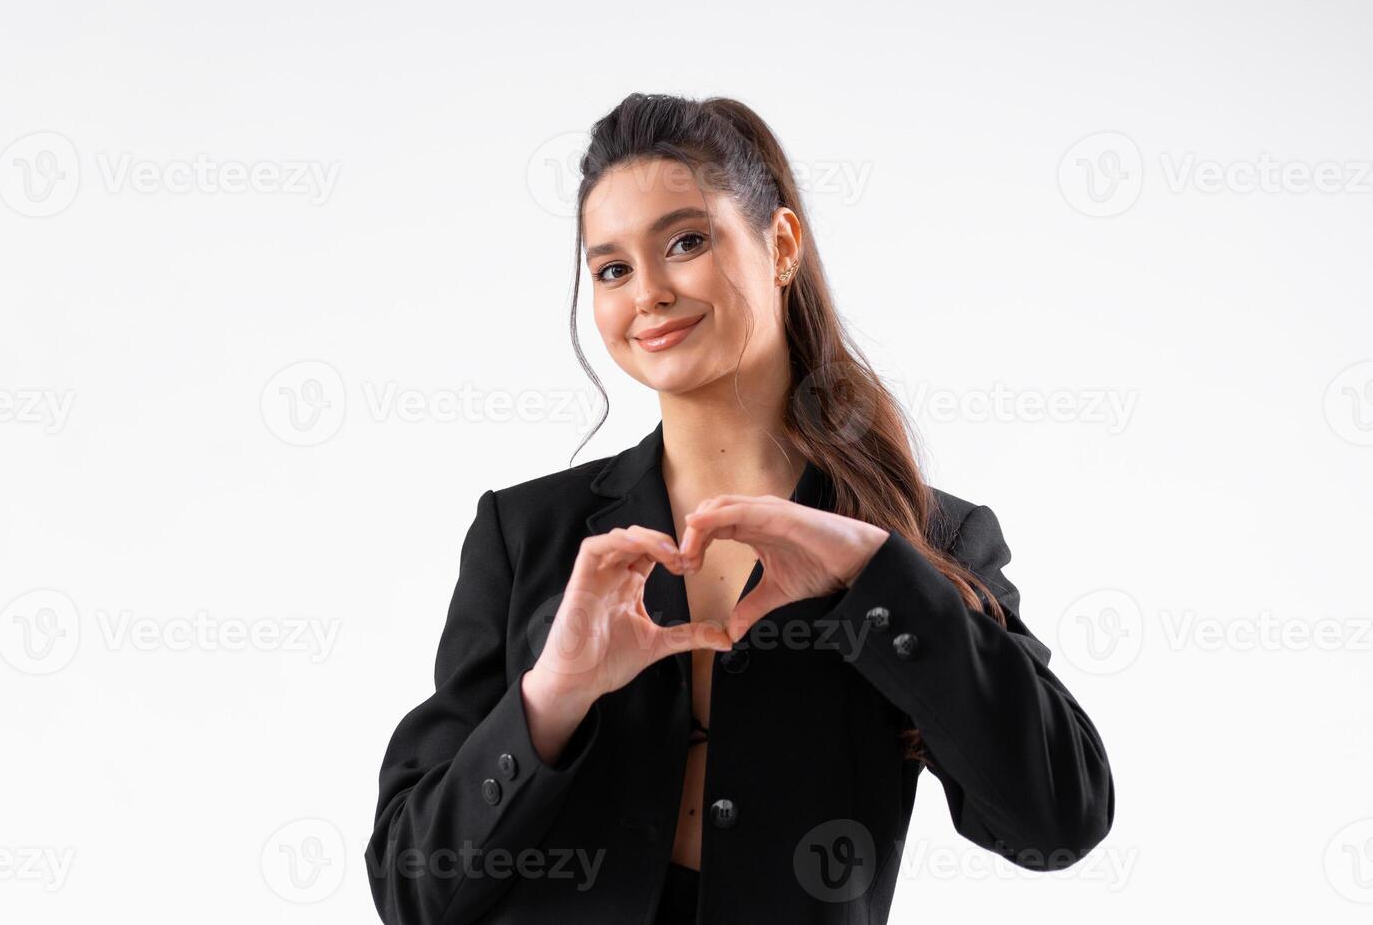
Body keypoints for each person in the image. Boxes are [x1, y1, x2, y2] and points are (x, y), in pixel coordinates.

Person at [364, 93, 1115, 924]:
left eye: (686, 242)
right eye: (611, 269)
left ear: (781, 245)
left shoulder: (920, 540)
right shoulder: (525, 534)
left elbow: (1059, 820)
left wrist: (879, 581)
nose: (646, 292)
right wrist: (552, 698)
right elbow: (411, 890)